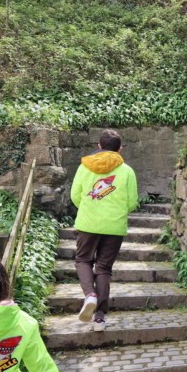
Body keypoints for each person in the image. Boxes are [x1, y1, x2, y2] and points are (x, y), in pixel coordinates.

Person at [70, 129, 139, 331]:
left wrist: (90, 208)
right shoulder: (127, 171)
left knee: (83, 260)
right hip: (114, 225)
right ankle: (99, 317)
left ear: (99, 146)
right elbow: (132, 202)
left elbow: (75, 195)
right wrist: (116, 211)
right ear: (119, 149)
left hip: (87, 223)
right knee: (104, 268)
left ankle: (90, 294)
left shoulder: (84, 167)